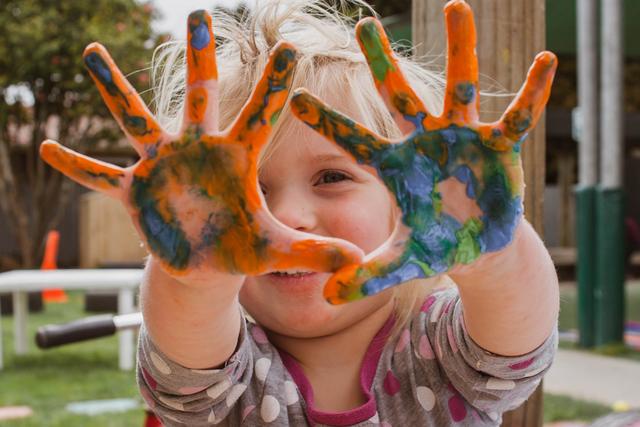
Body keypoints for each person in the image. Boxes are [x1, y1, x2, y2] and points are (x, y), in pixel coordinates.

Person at [40, 0, 560, 425]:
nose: (288, 215)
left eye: (332, 178)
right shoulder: (226, 370)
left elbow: (516, 341)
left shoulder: (441, 346)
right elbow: (186, 348)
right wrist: (195, 281)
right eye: (246, 194)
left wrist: (493, 253)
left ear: (407, 200)